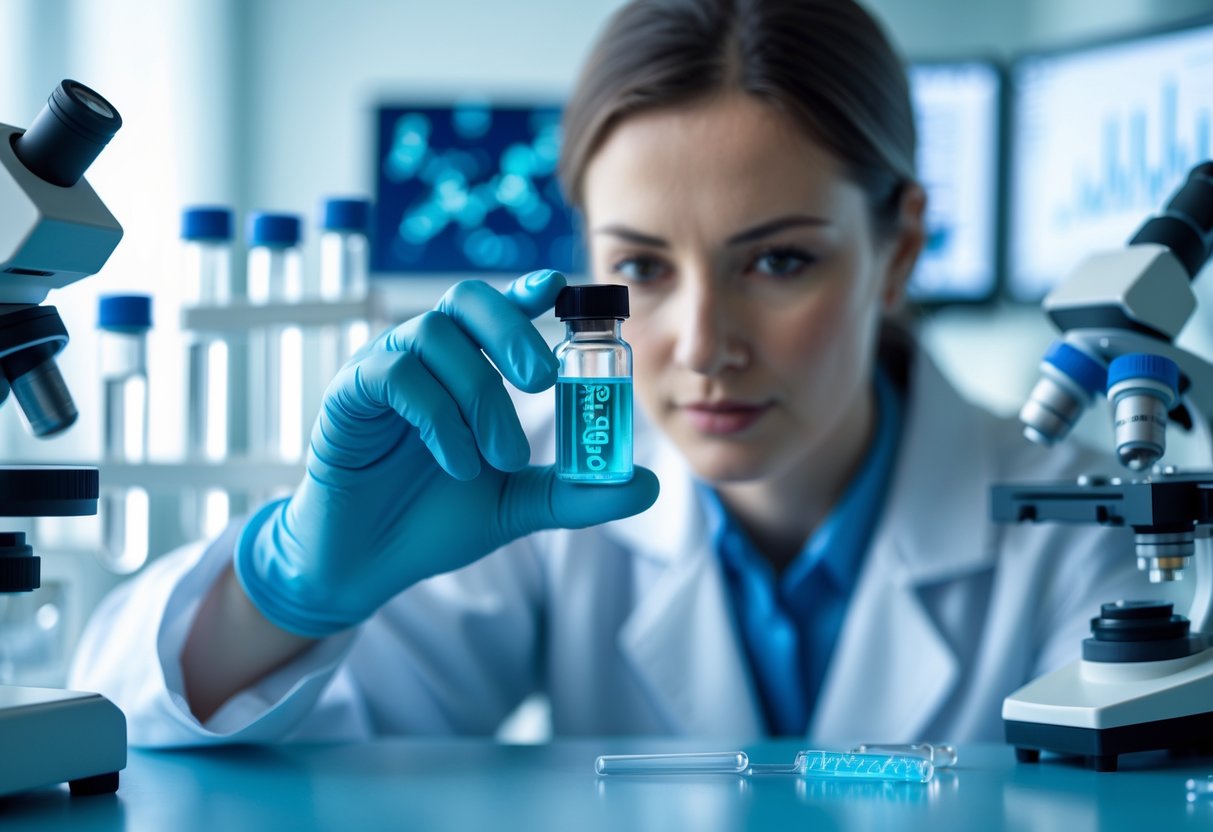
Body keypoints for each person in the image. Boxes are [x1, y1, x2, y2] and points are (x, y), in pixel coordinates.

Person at [71, 0, 1141, 746]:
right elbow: (137, 732)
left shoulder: (1081, 534)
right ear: (583, 254)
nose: (699, 342)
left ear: (900, 250)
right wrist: (284, 586)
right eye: (639, 266)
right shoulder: (523, 486)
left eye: (777, 260)